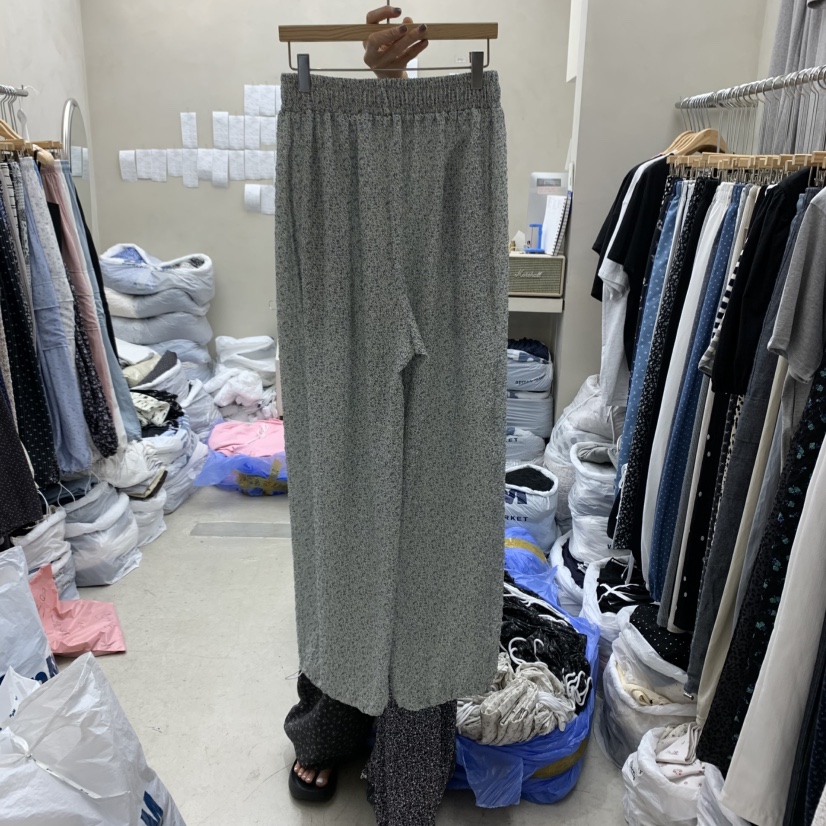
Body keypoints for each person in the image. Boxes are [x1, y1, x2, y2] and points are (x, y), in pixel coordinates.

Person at [287, 5, 430, 801]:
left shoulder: (445, 113)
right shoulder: (329, 126)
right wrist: (378, 80)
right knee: (341, 512)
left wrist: (402, 83)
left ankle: (411, 756)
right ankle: (329, 724)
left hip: (444, 153)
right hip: (332, 154)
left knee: (435, 518)